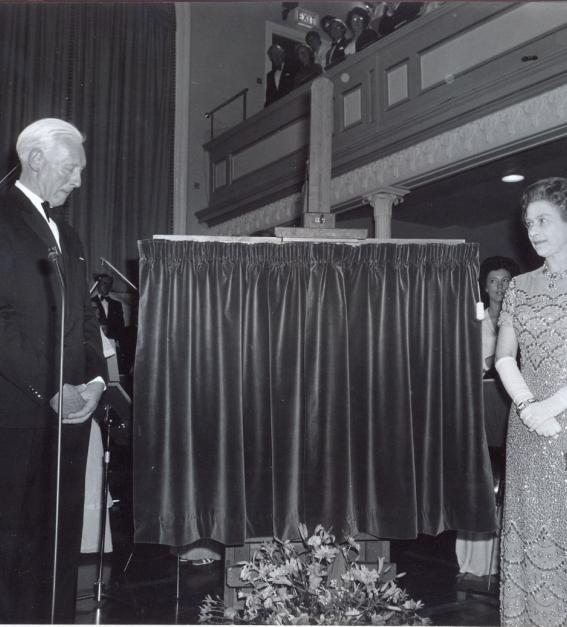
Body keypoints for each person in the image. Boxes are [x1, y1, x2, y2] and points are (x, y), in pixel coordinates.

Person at [0, 118, 107, 623]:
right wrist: (50, 387)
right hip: (18, 416)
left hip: (70, 417)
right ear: (36, 159)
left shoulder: (70, 235)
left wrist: (95, 383)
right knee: (11, 552)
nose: (78, 181)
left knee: (60, 546)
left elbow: (86, 317)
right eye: (71, 169)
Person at [495, 177, 567, 625]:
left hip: (559, 416)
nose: (533, 231)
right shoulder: (519, 287)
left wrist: (553, 406)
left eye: (543, 220)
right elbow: (504, 357)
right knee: (532, 531)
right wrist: (527, 407)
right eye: (528, 223)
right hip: (527, 430)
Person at [455, 255, 519, 580]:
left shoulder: (520, 317)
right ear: (484, 286)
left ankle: (505, 560)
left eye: (505, 281)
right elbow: (465, 362)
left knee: (509, 481)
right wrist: (494, 360)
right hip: (481, 404)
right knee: (480, 479)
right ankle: (475, 562)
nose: (499, 287)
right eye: (493, 281)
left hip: (510, 406)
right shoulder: (474, 319)